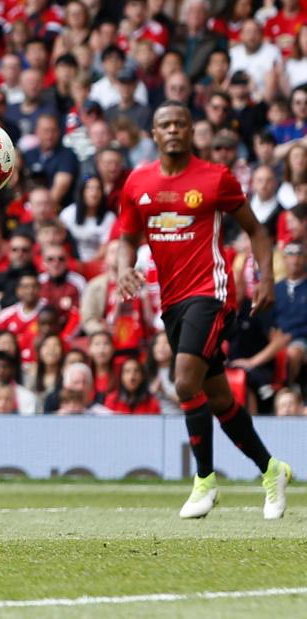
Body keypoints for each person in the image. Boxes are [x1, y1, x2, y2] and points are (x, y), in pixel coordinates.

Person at [116, 99, 291, 520]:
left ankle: (205, 482)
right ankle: (272, 470)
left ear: (192, 132)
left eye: (180, 123)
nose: (173, 129)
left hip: (210, 293)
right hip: (172, 301)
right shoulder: (136, 182)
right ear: (153, 135)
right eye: (165, 124)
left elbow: (255, 230)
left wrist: (265, 278)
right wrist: (124, 268)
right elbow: (127, 236)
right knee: (216, 397)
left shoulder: (215, 179)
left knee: (183, 380)